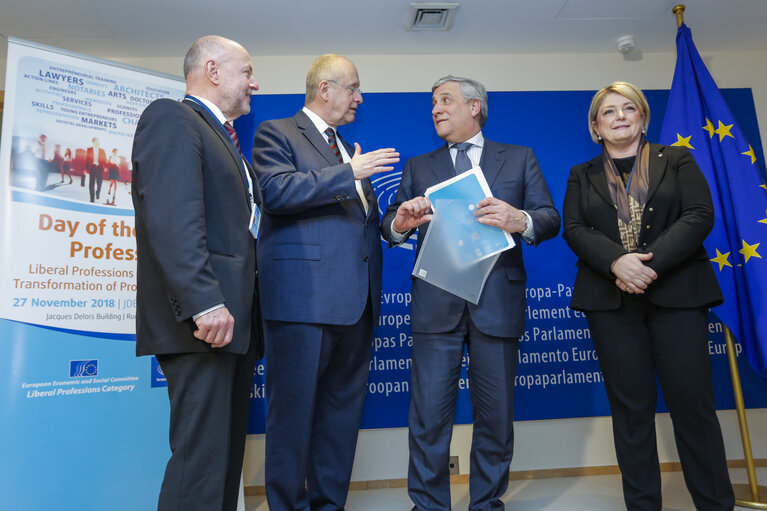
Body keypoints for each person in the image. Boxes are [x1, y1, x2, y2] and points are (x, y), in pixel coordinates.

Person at [381, 75, 560, 511]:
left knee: (495, 419)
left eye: (445, 100)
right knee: (427, 419)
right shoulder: (419, 166)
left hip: (496, 304)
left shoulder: (518, 159)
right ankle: (427, 505)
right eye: (432, 104)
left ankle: (486, 504)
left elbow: (549, 218)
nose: (435, 109)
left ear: (475, 106)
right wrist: (400, 225)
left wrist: (520, 219)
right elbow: (391, 223)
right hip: (435, 307)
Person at [562, 81, 734, 511]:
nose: (619, 116)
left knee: (693, 407)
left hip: (677, 296)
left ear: (642, 117)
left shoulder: (676, 159)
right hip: (611, 302)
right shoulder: (581, 174)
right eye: (608, 112)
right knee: (631, 412)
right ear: (595, 127)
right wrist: (618, 263)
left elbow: (699, 215)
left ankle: (715, 504)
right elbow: (575, 229)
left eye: (628, 109)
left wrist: (647, 267)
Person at [252, 54, 399, 511]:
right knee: (292, 419)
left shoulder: (347, 149)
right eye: (353, 87)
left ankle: (328, 506)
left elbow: (360, 226)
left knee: (340, 420)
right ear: (325, 90)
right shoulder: (276, 132)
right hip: (302, 305)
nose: (360, 97)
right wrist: (348, 174)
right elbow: (275, 192)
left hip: (356, 306)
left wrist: (398, 225)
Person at [131, 35, 262, 511]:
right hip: (203, 324)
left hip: (232, 326)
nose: (254, 82)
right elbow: (173, 219)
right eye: (246, 71)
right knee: (200, 466)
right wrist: (205, 302)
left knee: (222, 465)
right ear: (212, 71)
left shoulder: (223, 138)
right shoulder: (173, 119)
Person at [86, 137, 106, 202]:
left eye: (98, 141)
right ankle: (92, 198)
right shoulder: (89, 149)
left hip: (100, 168)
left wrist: (104, 167)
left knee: (99, 183)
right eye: (96, 141)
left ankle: (98, 192)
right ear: (93, 142)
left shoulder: (102, 150)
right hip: (92, 167)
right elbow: (87, 159)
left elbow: (104, 159)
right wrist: (86, 169)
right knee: (91, 183)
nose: (97, 142)